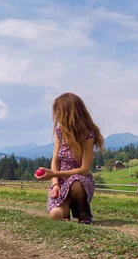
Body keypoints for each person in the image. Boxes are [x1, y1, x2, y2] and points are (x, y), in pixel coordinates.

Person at [36, 93, 104, 224]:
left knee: (76, 182)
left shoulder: (88, 135)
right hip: (61, 182)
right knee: (55, 215)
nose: (57, 117)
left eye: (58, 113)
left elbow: (84, 170)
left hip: (80, 180)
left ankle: (83, 209)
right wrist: (55, 183)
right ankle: (67, 208)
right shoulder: (59, 133)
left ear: (69, 114)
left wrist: (54, 174)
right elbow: (55, 160)